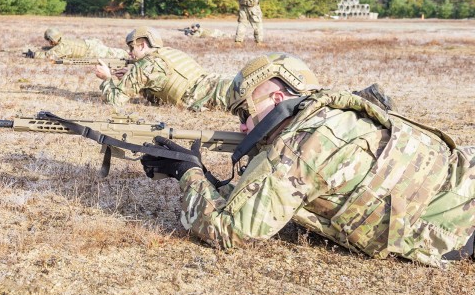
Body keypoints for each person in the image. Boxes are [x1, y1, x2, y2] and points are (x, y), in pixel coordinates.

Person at [140, 52, 475, 267]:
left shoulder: (302, 145)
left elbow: (228, 231)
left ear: (277, 98)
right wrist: (215, 186)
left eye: (245, 112)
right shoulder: (331, 112)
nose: (242, 125)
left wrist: (189, 174)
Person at [94, 26, 233, 111]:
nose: (130, 52)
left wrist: (107, 78)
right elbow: (160, 86)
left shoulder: (145, 65)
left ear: (142, 45)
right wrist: (133, 78)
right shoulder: (168, 52)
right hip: (222, 81)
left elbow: (115, 101)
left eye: (132, 47)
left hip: (219, 96)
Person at [27, 28, 129, 60]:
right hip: (90, 44)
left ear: (52, 40)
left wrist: (34, 55)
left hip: (92, 50)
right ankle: (131, 53)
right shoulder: (63, 41)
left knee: (117, 54)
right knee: (113, 52)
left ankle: (131, 54)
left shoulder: (62, 47)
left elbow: (49, 56)